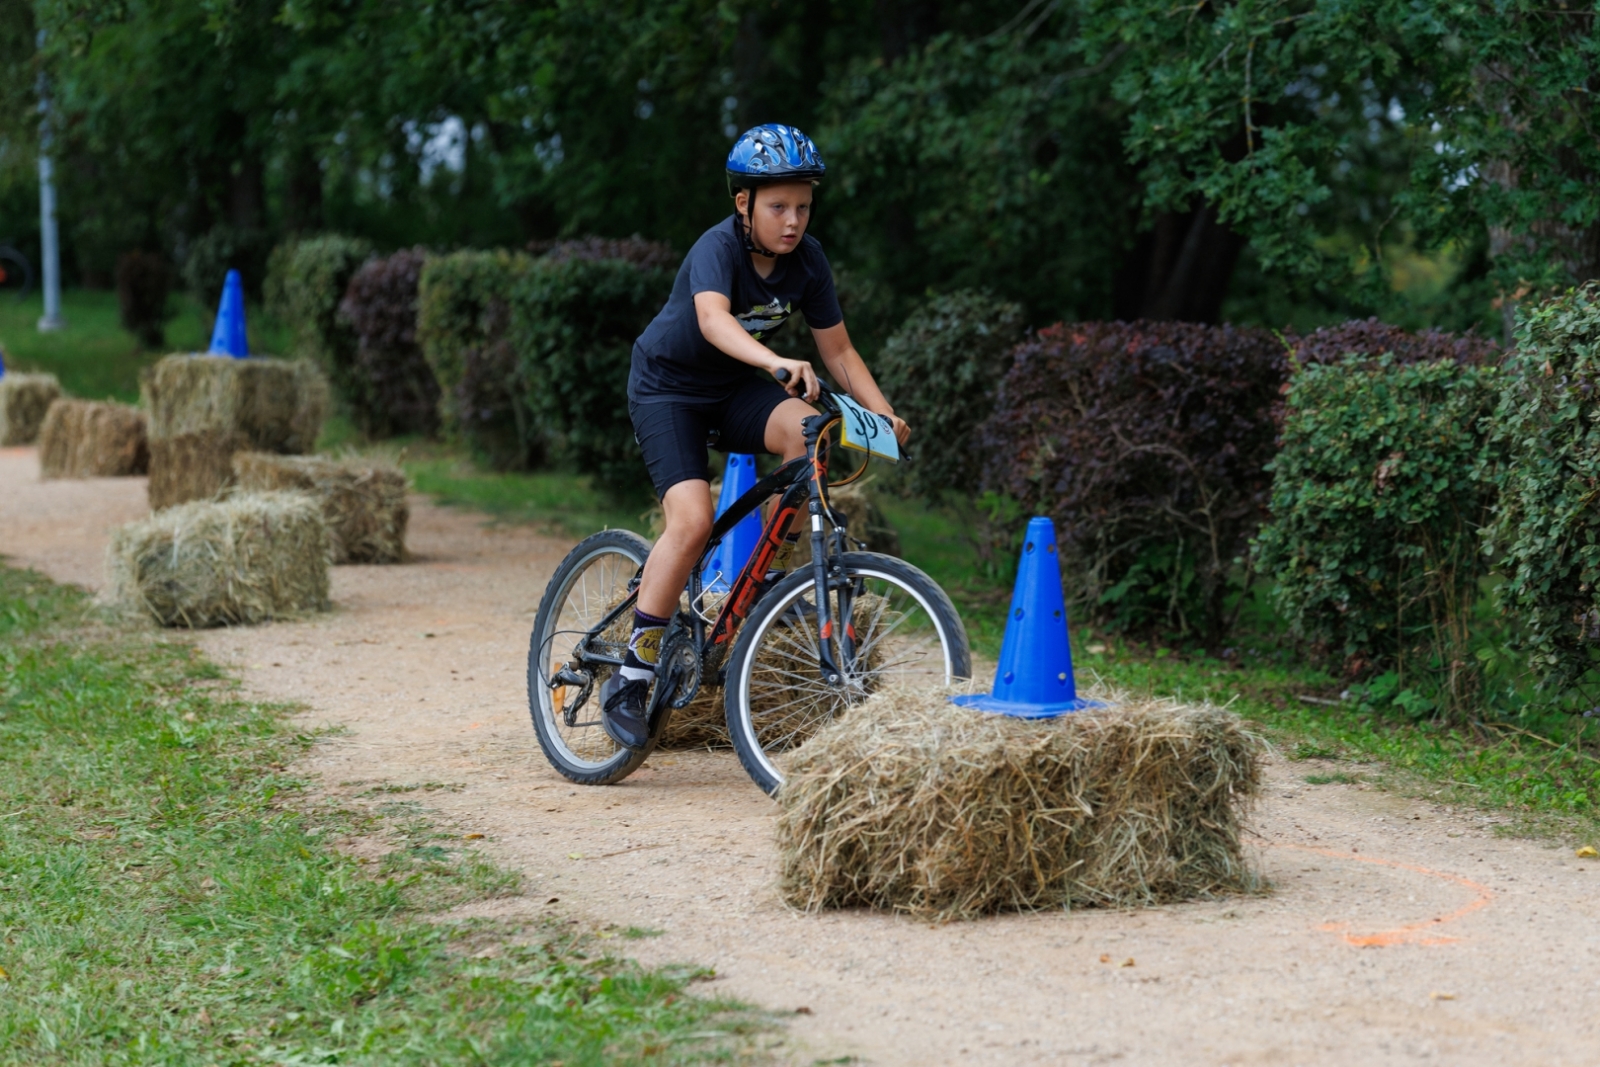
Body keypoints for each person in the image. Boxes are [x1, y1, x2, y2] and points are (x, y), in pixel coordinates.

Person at [603, 123, 910, 750]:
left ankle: (764, 576)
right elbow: (713, 321)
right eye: (778, 207)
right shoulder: (717, 249)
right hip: (669, 388)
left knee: (809, 431)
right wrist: (774, 363)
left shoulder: (809, 260)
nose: (792, 220)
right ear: (743, 204)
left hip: (735, 387)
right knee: (691, 522)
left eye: (802, 205)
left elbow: (841, 352)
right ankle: (632, 670)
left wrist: (885, 414)